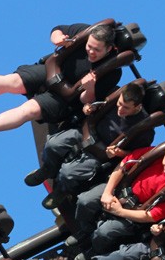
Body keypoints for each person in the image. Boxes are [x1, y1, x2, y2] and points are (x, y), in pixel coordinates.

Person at [0, 24, 123, 138]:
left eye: (97, 50)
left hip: (64, 98)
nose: (91, 51)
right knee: (13, 81)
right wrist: (58, 39)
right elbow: (57, 30)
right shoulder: (83, 30)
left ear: (109, 49)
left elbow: (87, 102)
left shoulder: (112, 72)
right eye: (89, 46)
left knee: (28, 110)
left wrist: (90, 88)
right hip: (51, 71)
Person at [26, 82, 155, 208]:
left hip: (100, 152)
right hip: (86, 133)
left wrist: (119, 153)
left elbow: (134, 155)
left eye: (126, 108)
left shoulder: (145, 131)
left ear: (137, 107)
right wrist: (88, 108)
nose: (120, 109)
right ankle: (48, 169)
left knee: (67, 173)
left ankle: (62, 191)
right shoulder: (113, 94)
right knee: (53, 144)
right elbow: (93, 102)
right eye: (119, 104)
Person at [71, 142, 165, 260]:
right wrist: (107, 192)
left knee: (104, 231)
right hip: (119, 191)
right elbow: (124, 164)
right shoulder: (155, 154)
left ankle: (94, 251)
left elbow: (151, 216)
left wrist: (119, 211)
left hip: (134, 215)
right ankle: (85, 231)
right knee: (85, 200)